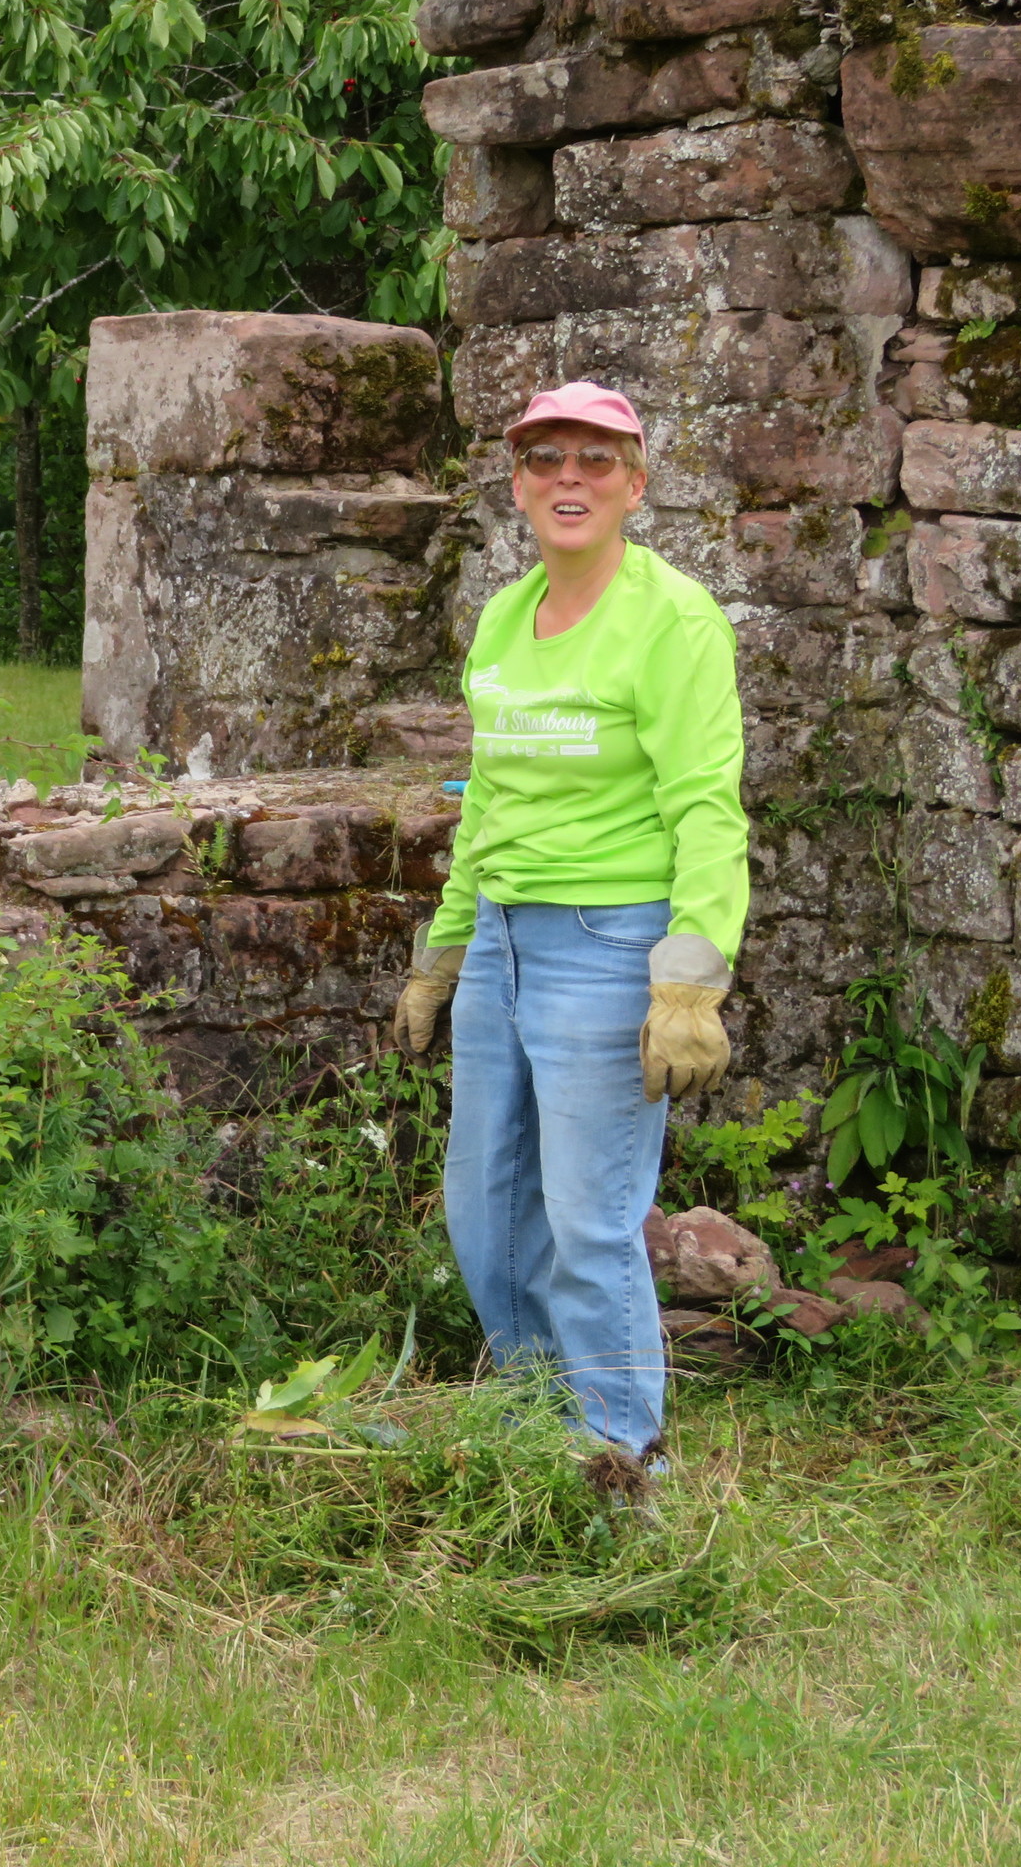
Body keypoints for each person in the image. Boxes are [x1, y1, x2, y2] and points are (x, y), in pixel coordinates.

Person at [389, 381, 749, 1461]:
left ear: (635, 486)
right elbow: (487, 800)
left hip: (609, 943)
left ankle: (622, 1458)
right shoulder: (504, 618)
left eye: (596, 460)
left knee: (590, 1222)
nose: (569, 478)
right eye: (545, 459)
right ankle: (538, 1424)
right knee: (487, 1211)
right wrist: (444, 953)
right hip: (502, 938)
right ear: (518, 486)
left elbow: (707, 807)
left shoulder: (673, 619)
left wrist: (688, 982)